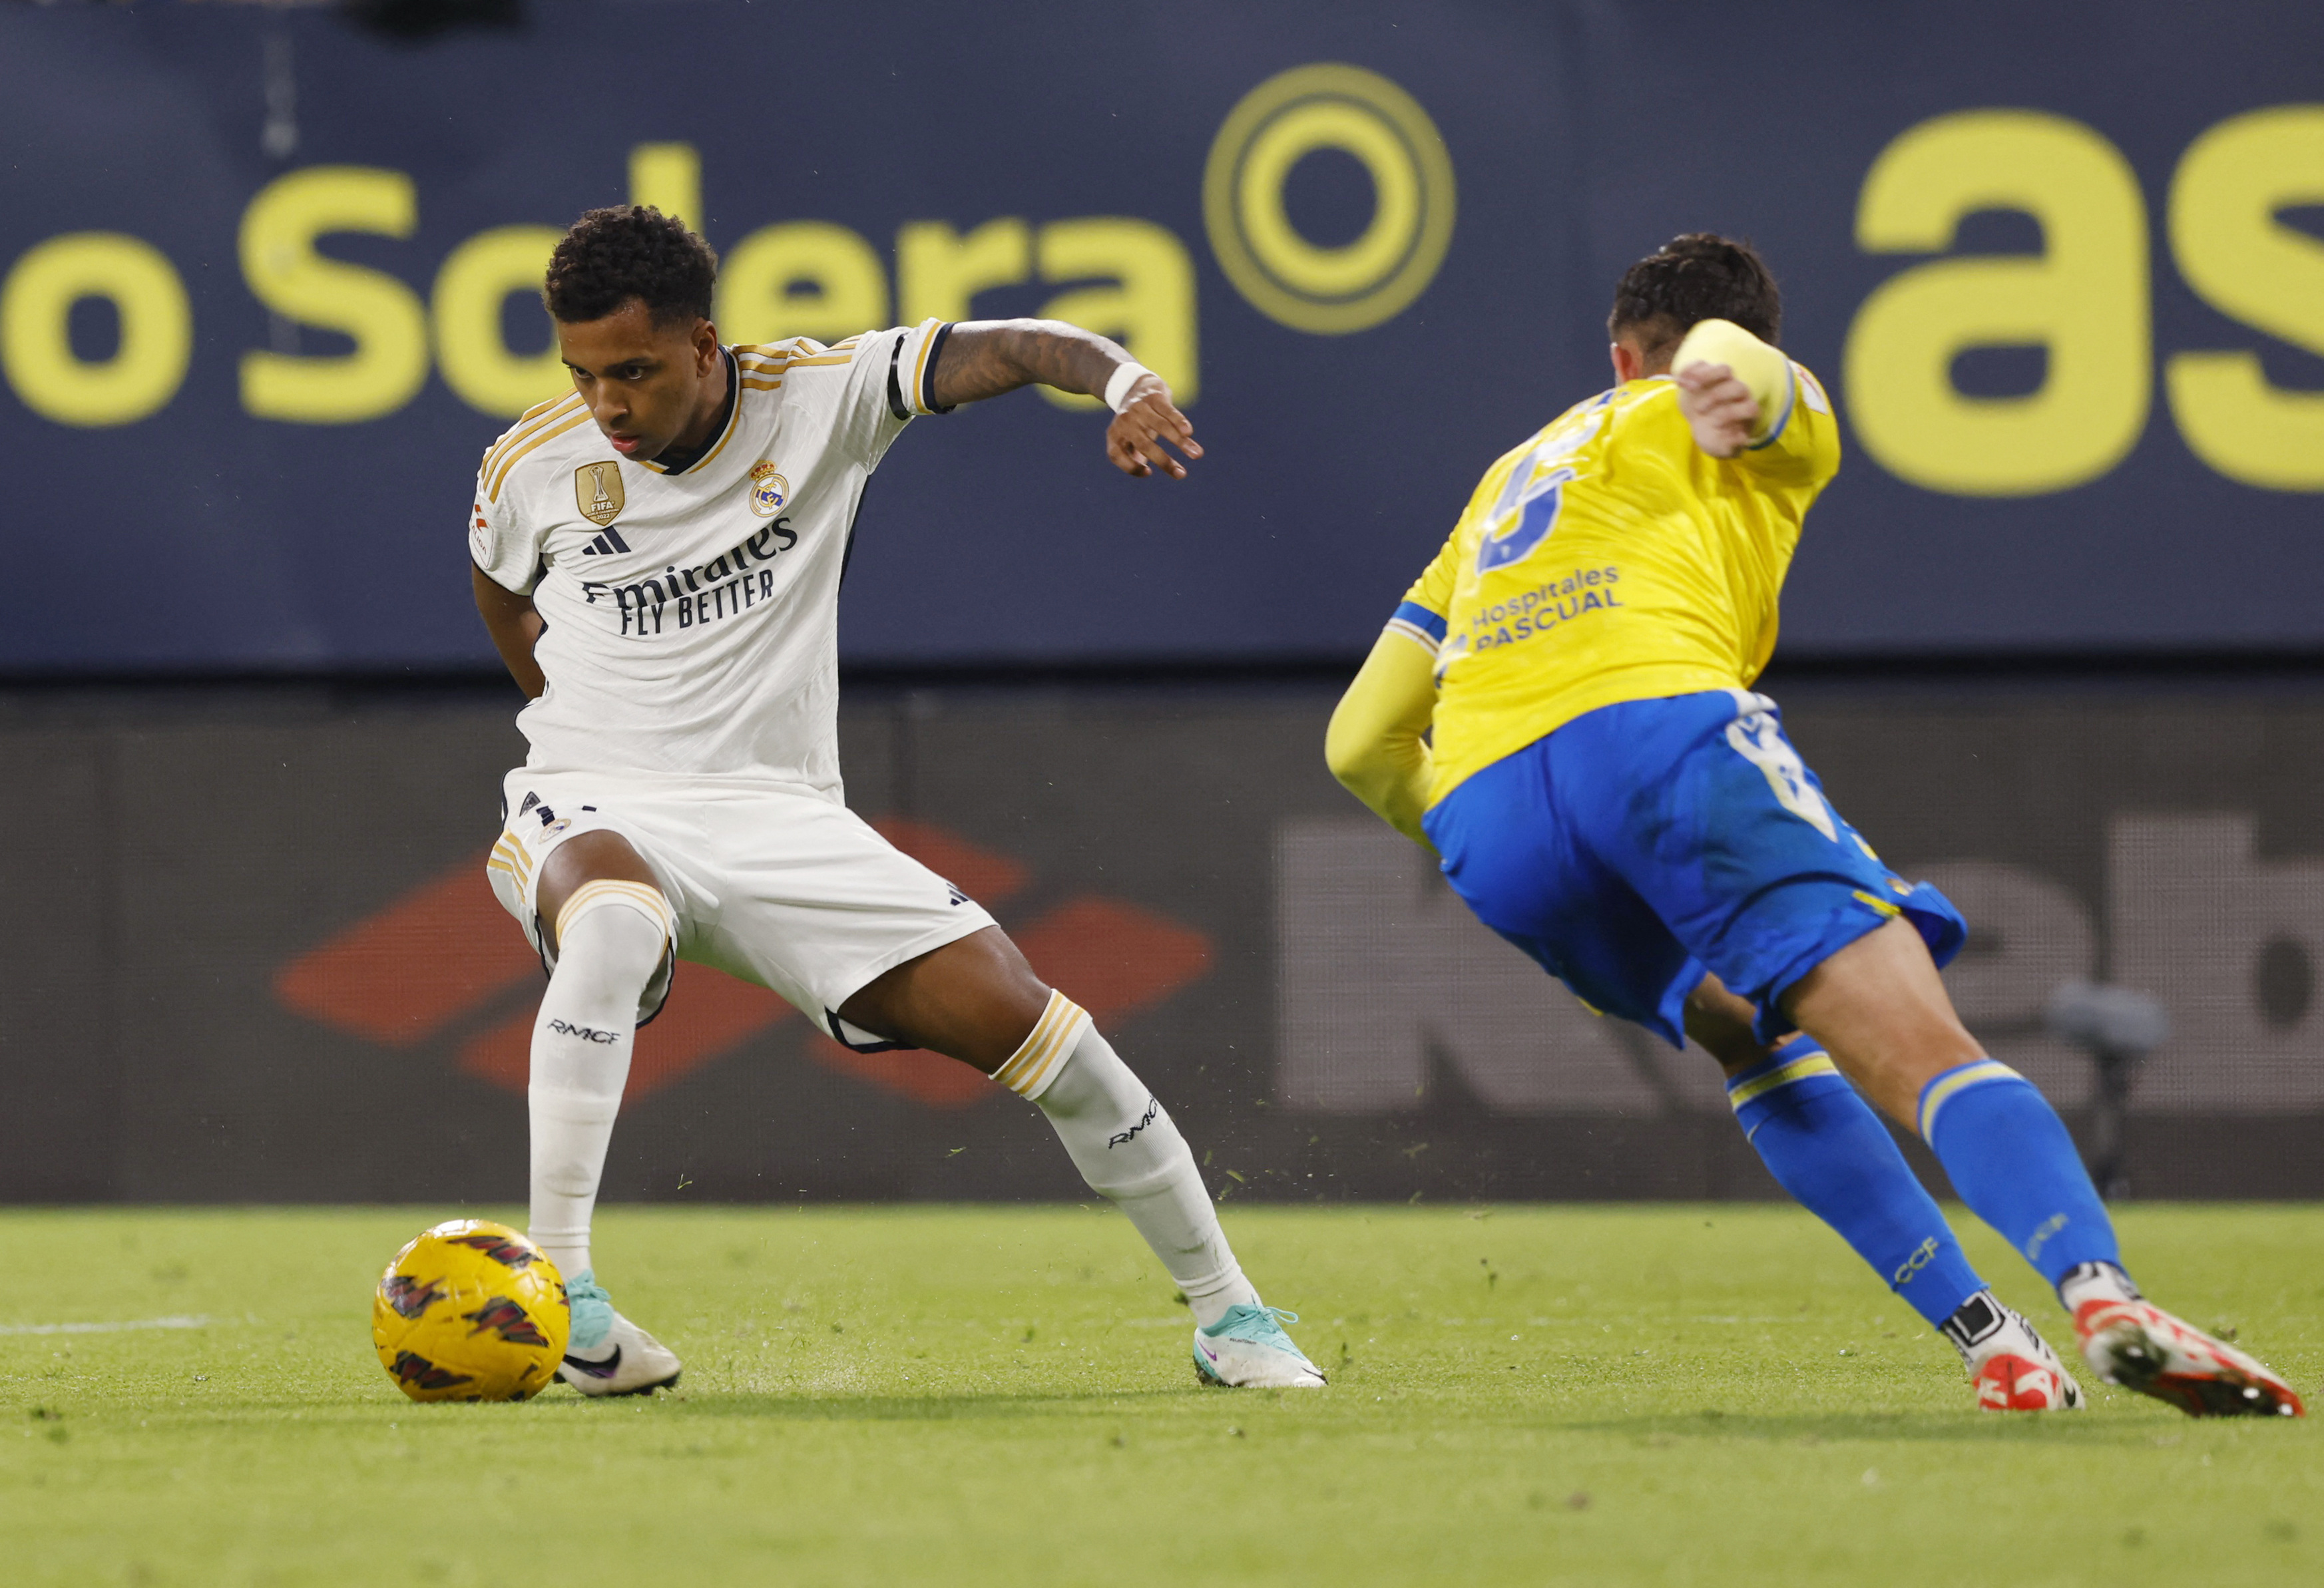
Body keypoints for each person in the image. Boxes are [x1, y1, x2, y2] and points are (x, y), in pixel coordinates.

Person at [1325, 234, 2301, 1418]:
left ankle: (1992, 1339)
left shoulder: (1504, 483)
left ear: (1617, 354)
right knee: (1923, 1048)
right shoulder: (1750, 406)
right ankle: (2102, 1295)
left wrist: (1486, 837)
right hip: (1652, 732)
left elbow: (1360, 741)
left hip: (1491, 821)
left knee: (1748, 1035)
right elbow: (1751, 376)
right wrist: (1735, 371)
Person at [467, 205, 1321, 1396]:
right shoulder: (535, 461)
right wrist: (579, 725)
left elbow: (1017, 346)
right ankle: (562, 1301)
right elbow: (503, 593)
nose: (606, 402)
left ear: (704, 345)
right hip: (595, 795)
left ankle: (1233, 1315)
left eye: (633, 370)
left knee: (1045, 1036)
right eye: (581, 372)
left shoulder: (820, 394)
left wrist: (1124, 382)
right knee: (610, 924)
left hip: (782, 815)